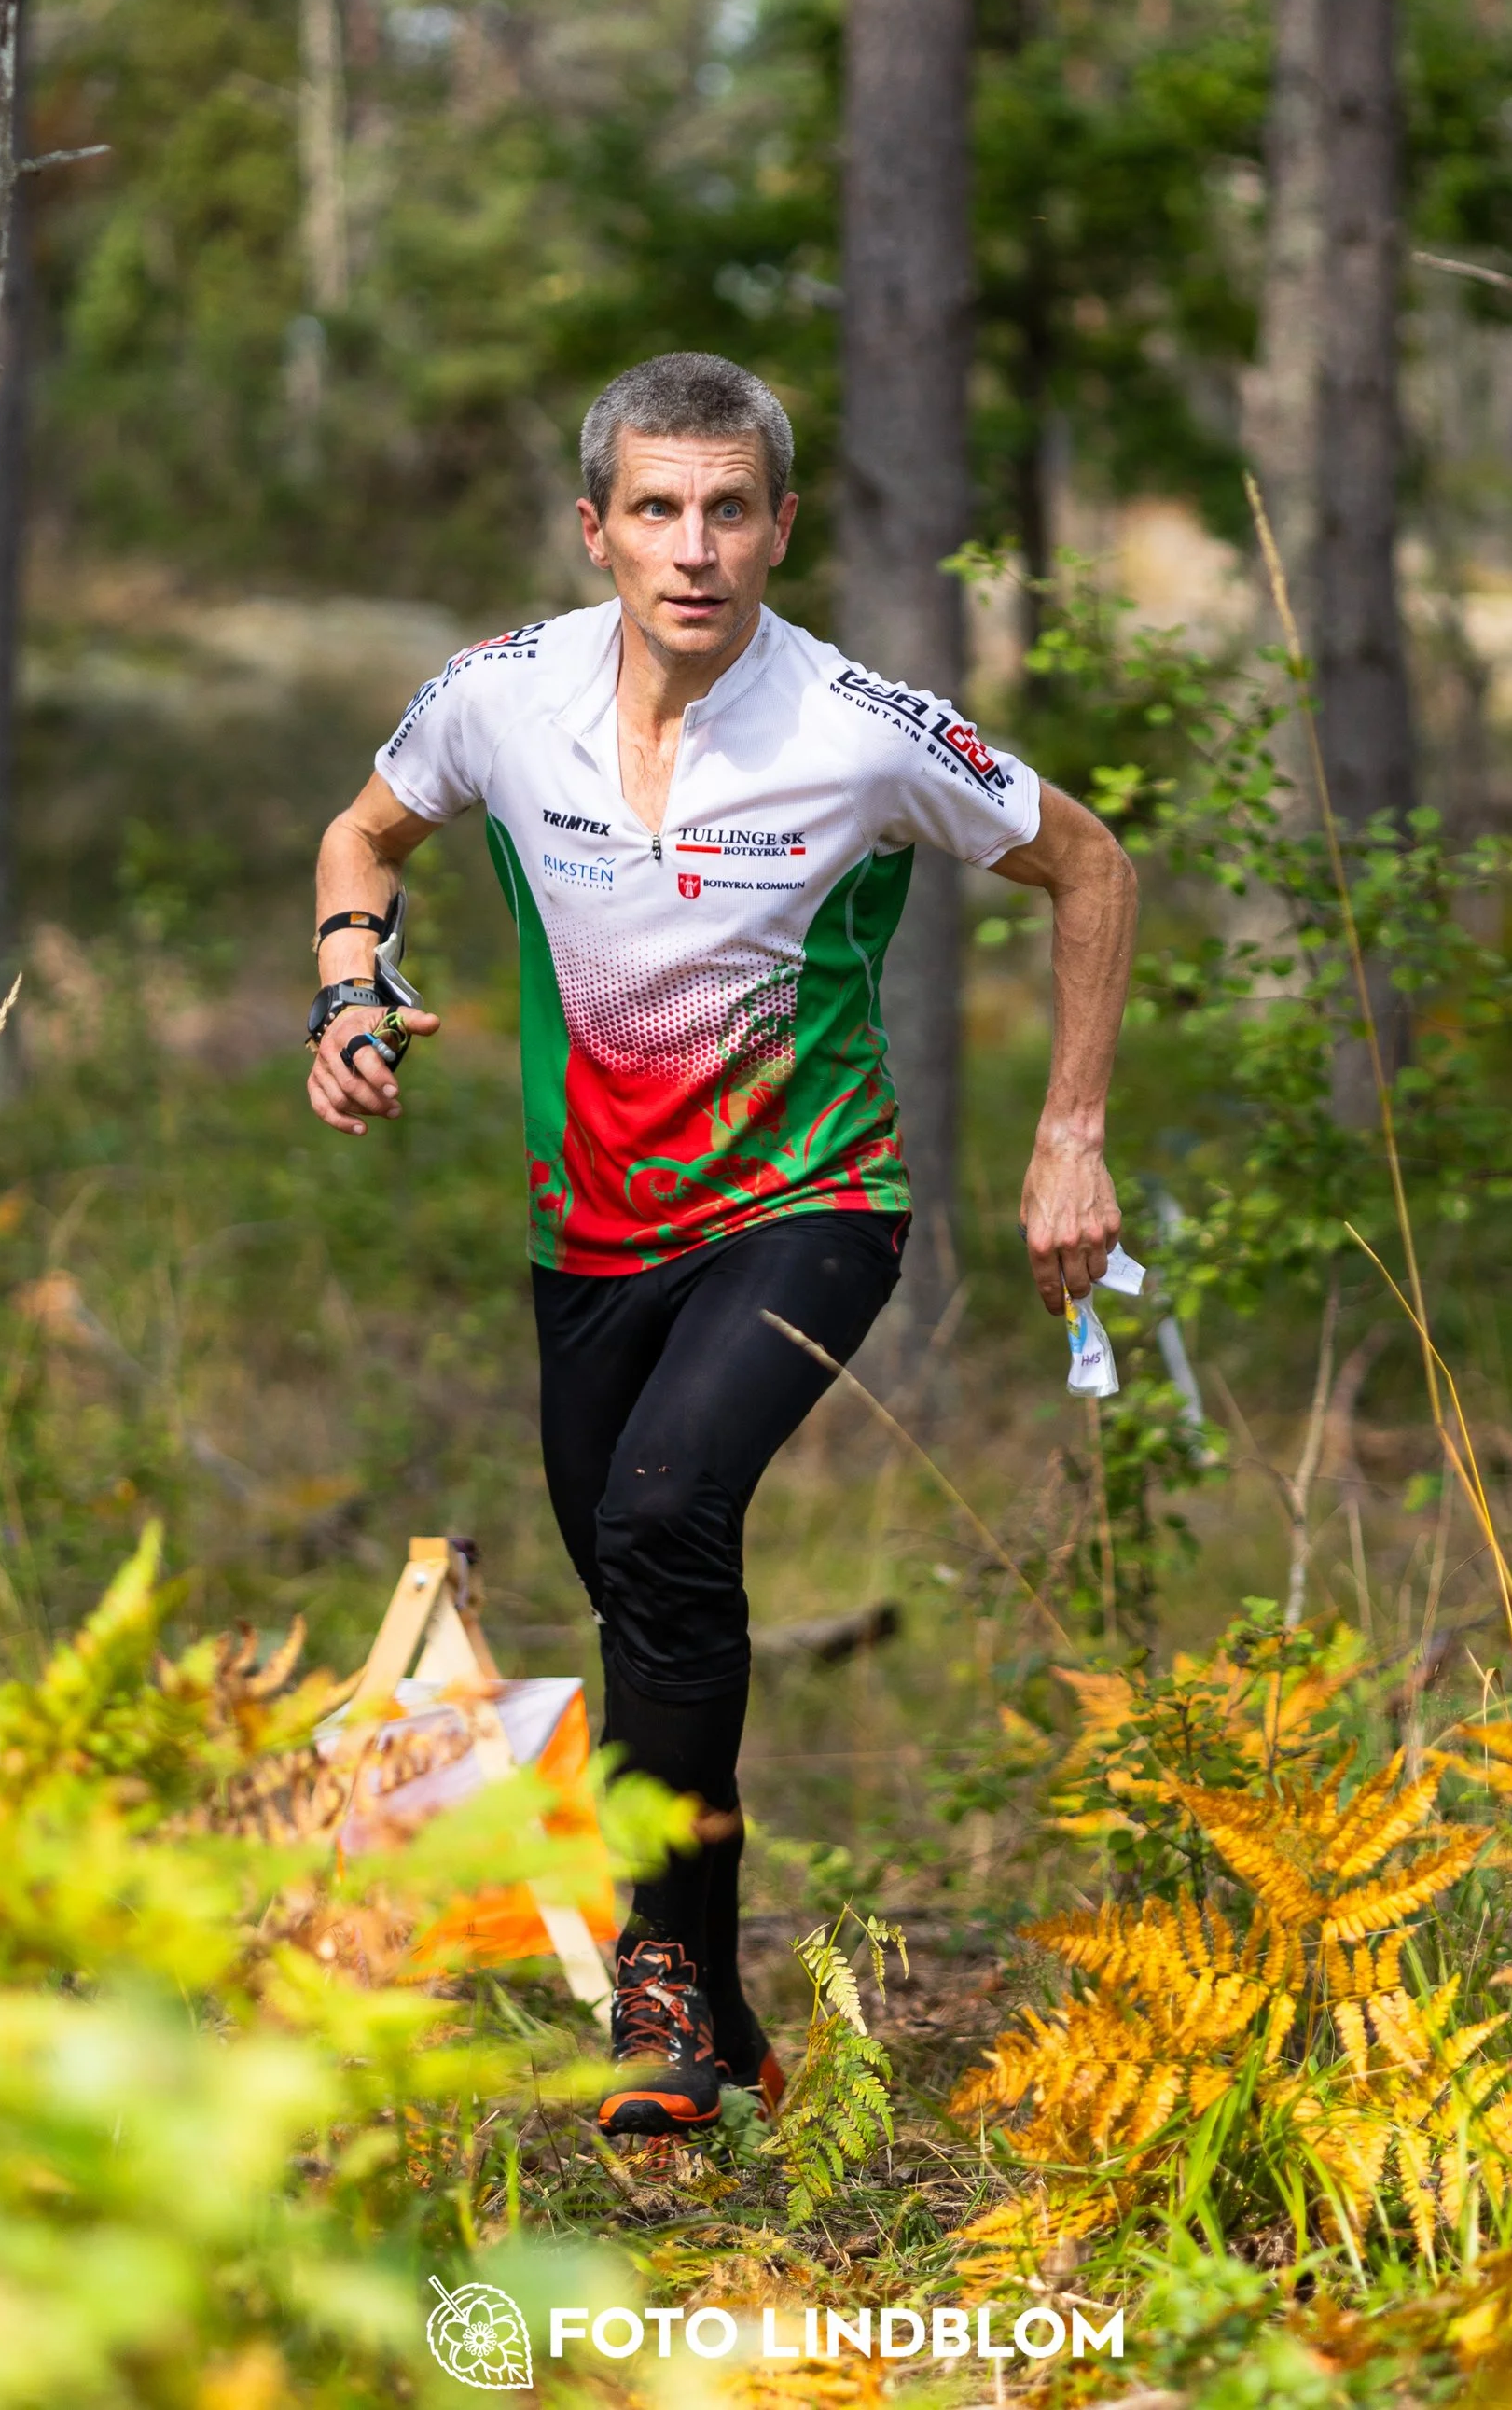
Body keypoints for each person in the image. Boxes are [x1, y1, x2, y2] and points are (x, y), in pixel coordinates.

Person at [307, 352, 1136, 2137]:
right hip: (590, 1234)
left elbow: (1092, 864)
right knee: (648, 1604)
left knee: (664, 1517)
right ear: (595, 528)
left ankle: (658, 1981)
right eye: (659, 510)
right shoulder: (498, 697)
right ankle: (728, 2023)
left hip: (811, 1207)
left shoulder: (858, 725)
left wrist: (1069, 1132)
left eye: (731, 511)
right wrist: (350, 989)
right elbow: (363, 836)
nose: (695, 549)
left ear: (780, 528)